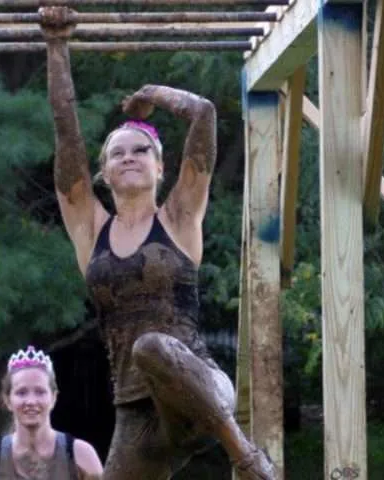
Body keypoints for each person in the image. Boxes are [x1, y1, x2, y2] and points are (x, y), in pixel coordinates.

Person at [38, 6, 277, 479]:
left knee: (152, 346)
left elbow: (204, 114)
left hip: (200, 387)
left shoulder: (180, 216)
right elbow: (66, 130)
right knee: (144, 354)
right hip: (136, 415)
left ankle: (248, 460)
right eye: (117, 153)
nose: (129, 157)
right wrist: (57, 45)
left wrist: (152, 94)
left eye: (141, 150)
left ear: (161, 168)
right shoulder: (91, 229)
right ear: (103, 173)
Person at [0, 346, 104, 480]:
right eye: (21, 393)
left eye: (40, 392)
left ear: (53, 397)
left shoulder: (81, 456)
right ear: (7, 400)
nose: (31, 401)